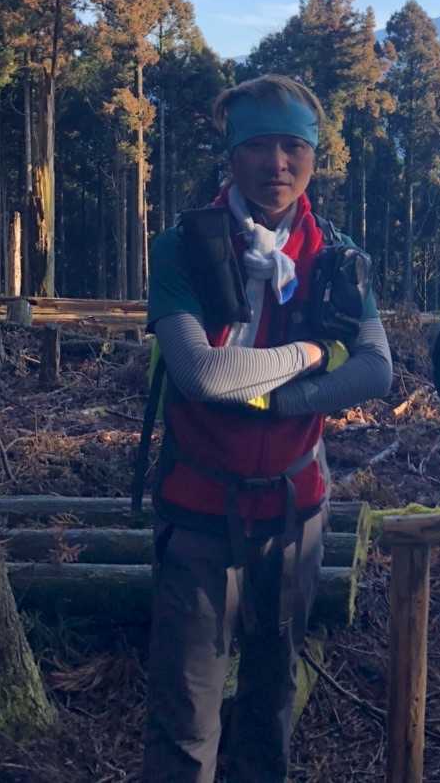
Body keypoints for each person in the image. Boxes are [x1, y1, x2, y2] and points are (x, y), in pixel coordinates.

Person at [139, 74, 392, 782]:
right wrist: (314, 355)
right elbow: (203, 374)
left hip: (294, 511)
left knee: (271, 701)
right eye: (257, 145)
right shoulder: (183, 248)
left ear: (314, 155)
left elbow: (376, 370)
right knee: (187, 719)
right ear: (231, 155)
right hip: (199, 513)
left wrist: (275, 402)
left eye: (292, 146)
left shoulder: (336, 254)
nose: (277, 163)